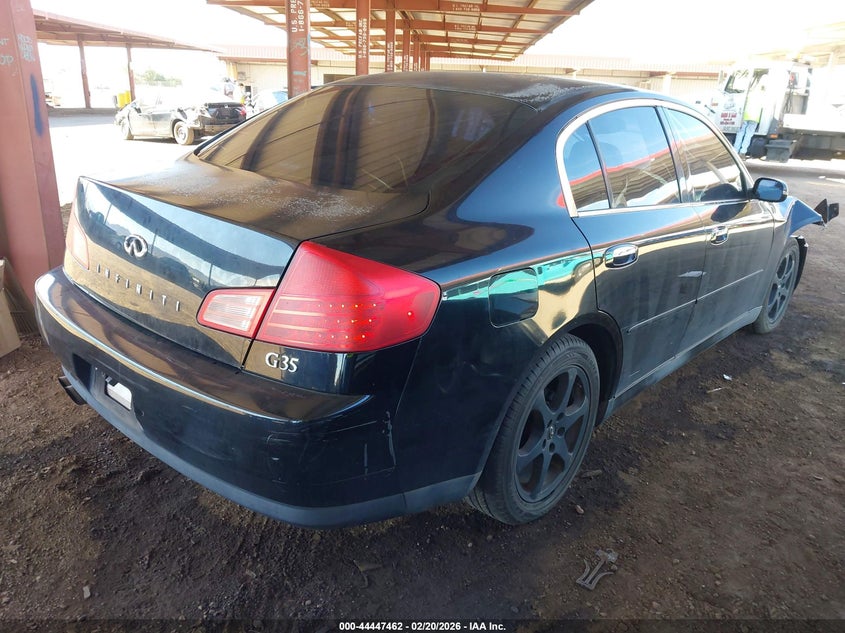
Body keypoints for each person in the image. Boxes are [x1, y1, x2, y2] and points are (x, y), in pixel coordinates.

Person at [734, 76, 767, 157]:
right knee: (748, 135)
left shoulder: (750, 93)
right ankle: (743, 152)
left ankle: (735, 151)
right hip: (755, 117)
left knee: (740, 133)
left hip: (745, 116)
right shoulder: (764, 96)